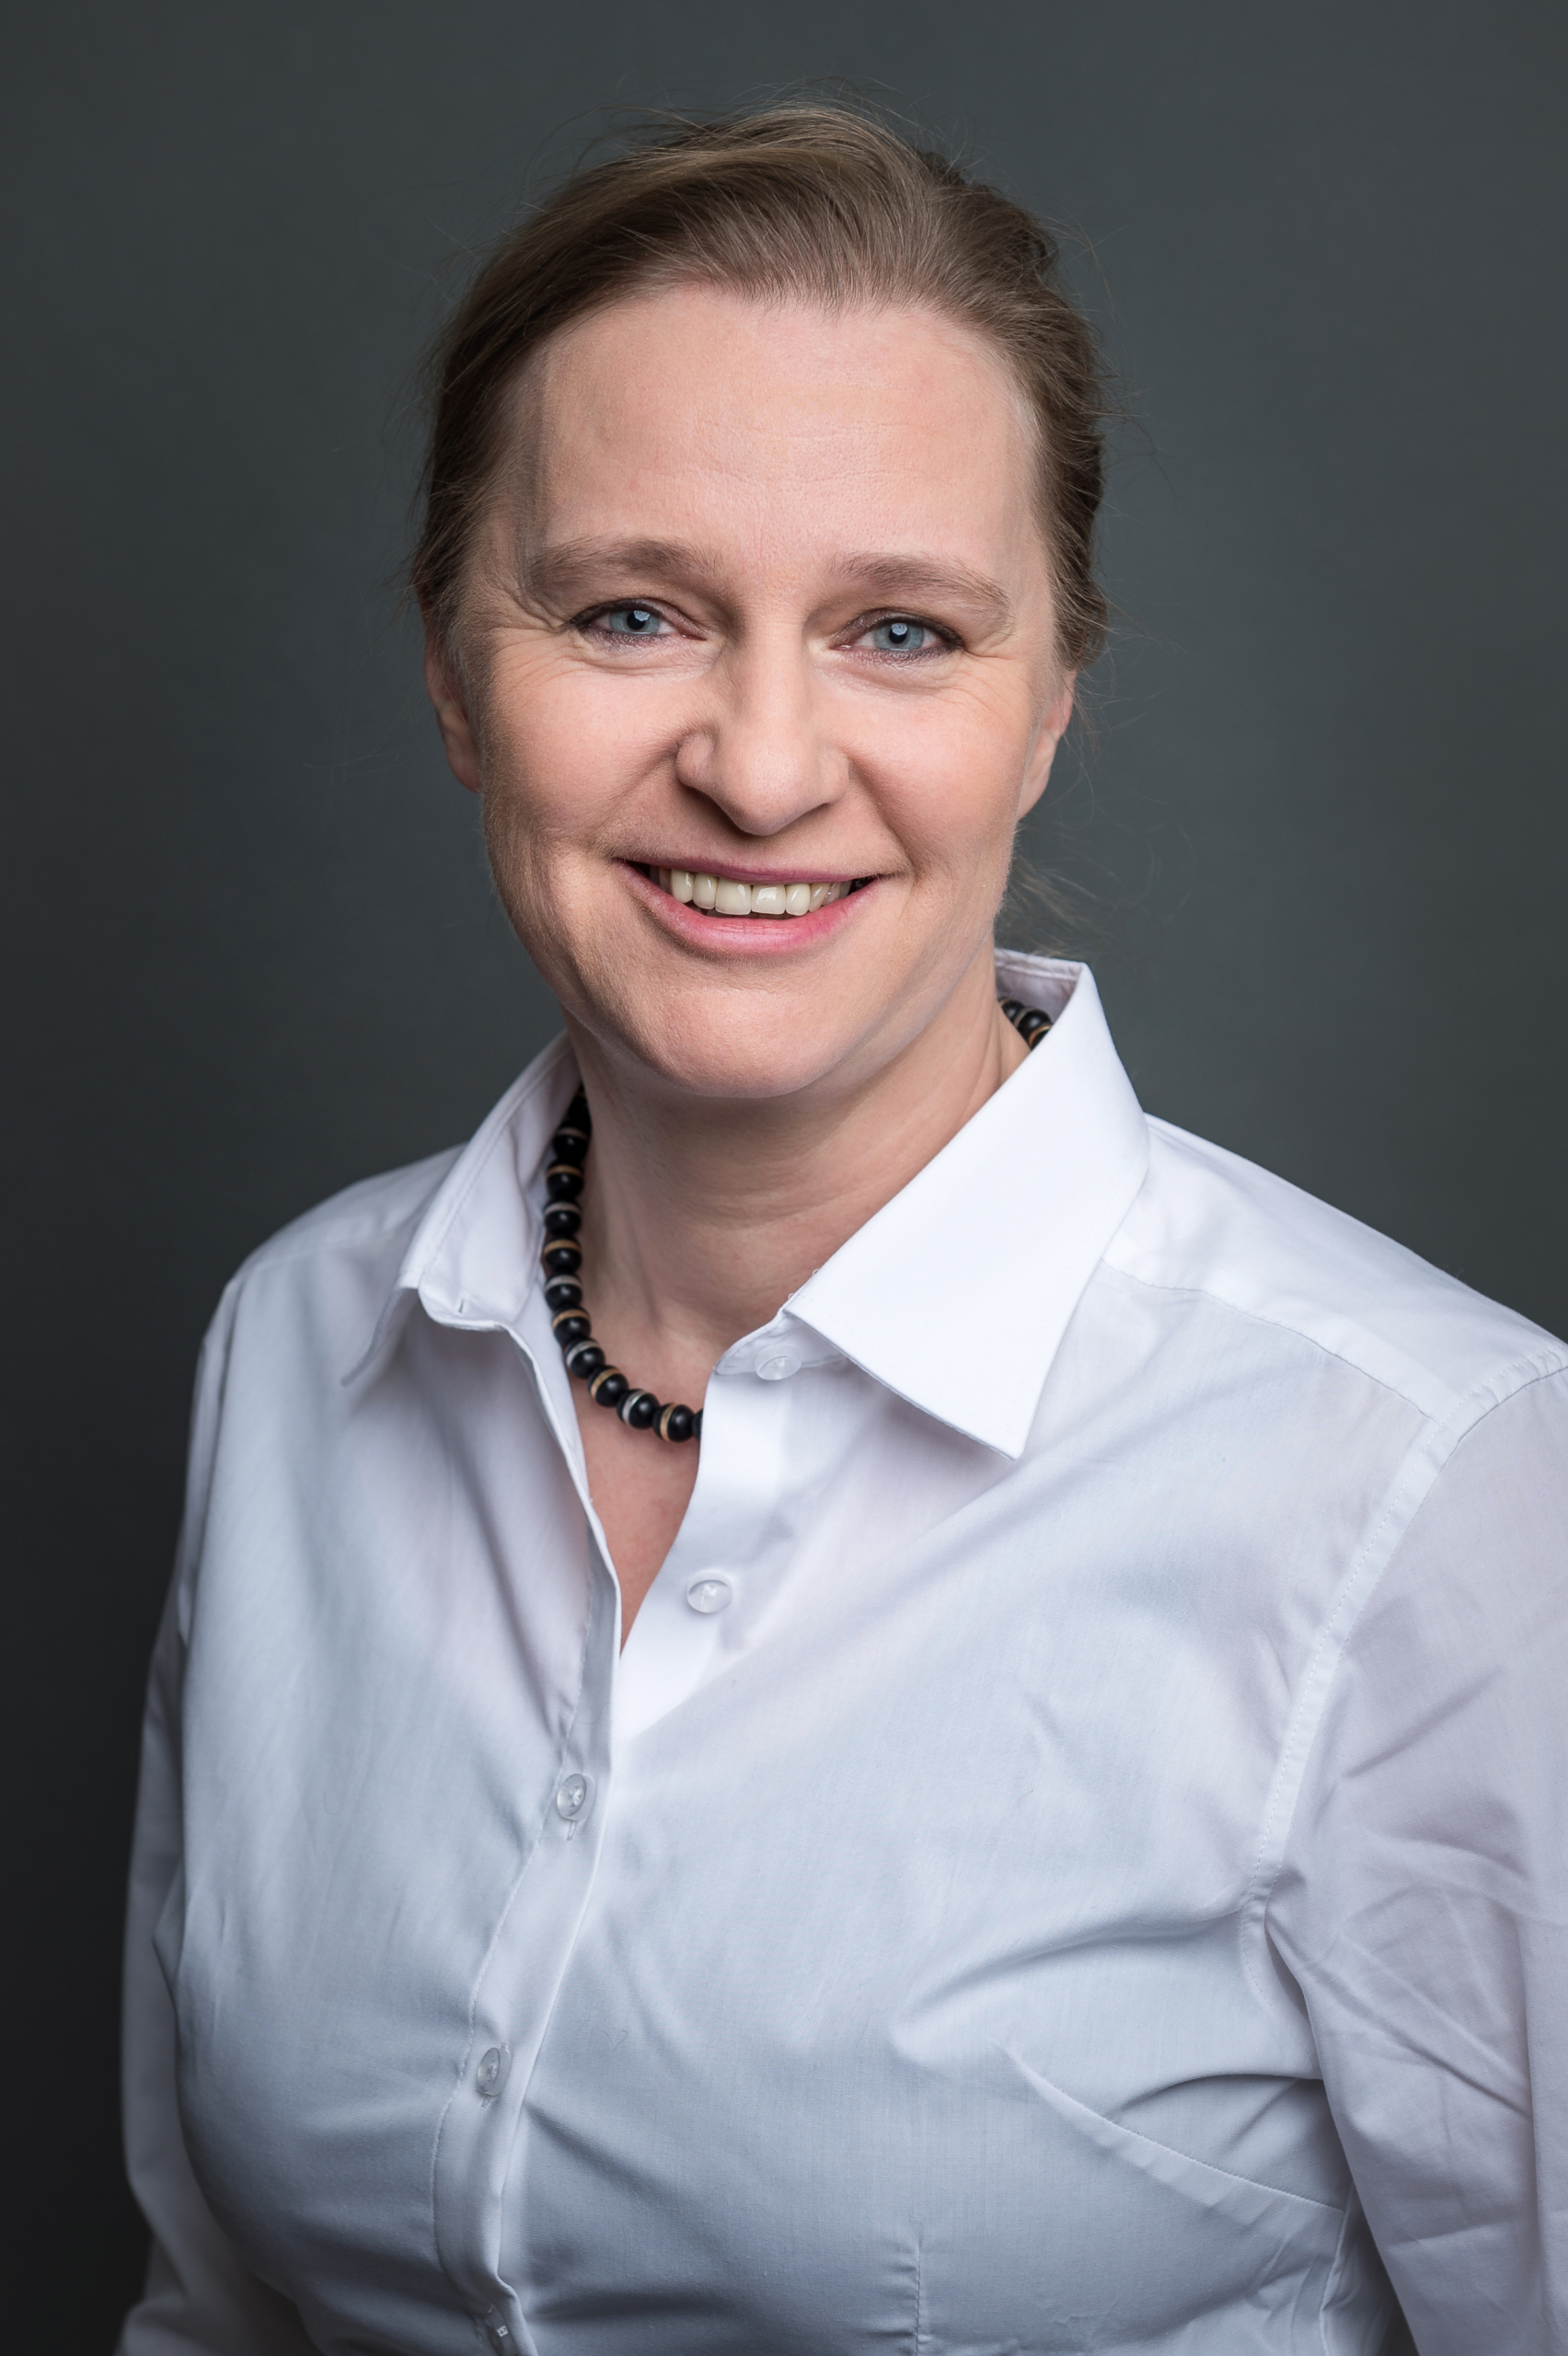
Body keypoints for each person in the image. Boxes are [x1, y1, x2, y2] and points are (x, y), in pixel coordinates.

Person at [117, 106, 1567, 2356]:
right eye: (632, 611)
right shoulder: (297, 1341)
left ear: (1048, 703)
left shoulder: (1433, 1491)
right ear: (452, 674)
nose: (767, 764)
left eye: (901, 629)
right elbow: (218, 2308)